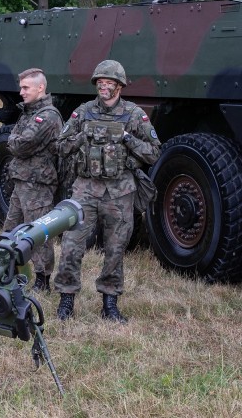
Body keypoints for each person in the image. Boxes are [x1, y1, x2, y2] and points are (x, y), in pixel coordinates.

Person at [53, 60, 161, 323]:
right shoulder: (83, 112)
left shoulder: (135, 115)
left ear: (119, 86)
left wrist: (126, 137)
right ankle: (66, 300)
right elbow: (61, 146)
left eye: (108, 83)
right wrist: (83, 136)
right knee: (71, 245)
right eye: (99, 83)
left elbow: (154, 152)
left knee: (115, 249)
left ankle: (109, 304)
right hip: (85, 190)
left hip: (119, 192)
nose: (102, 87)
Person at [0, 68, 63, 292]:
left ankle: (43, 280)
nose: (21, 92)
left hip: (37, 183)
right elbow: (15, 139)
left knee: (37, 233)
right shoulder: (28, 112)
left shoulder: (48, 115)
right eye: (21, 87)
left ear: (40, 88)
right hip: (22, 180)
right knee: (11, 229)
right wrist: (15, 140)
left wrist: (14, 141)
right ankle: (9, 272)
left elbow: (19, 144)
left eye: (26, 87)